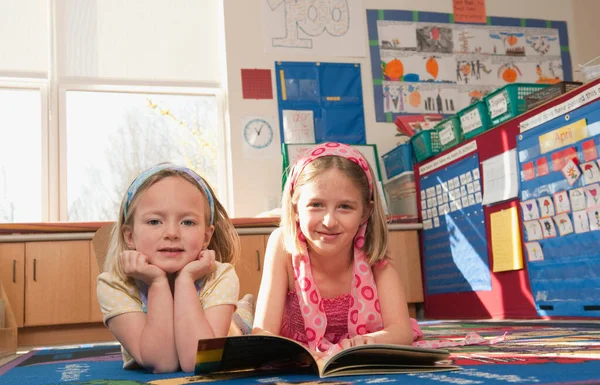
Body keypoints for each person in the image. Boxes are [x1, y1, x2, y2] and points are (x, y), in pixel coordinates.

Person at [253, 142, 422, 357]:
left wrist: (367, 342)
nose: (330, 221)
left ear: (365, 212)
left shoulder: (372, 255)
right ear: (295, 208)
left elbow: (401, 332)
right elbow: (263, 331)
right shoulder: (282, 244)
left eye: (345, 207)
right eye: (316, 204)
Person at [97, 163, 252, 373]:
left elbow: (197, 361)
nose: (171, 233)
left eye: (187, 222)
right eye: (154, 221)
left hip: (234, 330)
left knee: (242, 328)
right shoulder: (113, 285)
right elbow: (162, 363)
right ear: (130, 236)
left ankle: (244, 308)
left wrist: (186, 279)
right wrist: (157, 282)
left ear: (206, 237)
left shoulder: (220, 275)